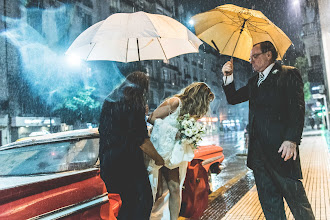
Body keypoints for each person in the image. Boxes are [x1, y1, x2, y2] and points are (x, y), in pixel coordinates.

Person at [221, 41, 314, 220]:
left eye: (255, 56)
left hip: (282, 152)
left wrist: (291, 139)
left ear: (268, 54)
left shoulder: (288, 73)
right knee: (270, 208)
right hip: (258, 157)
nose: (251, 61)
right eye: (250, 58)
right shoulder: (254, 81)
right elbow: (233, 98)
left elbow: (297, 108)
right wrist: (228, 77)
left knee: (298, 204)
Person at [98, 71, 164, 220]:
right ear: (142, 88)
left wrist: (141, 113)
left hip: (108, 160)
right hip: (128, 162)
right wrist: (159, 159)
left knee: (121, 204)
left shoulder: (110, 100)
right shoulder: (134, 103)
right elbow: (141, 139)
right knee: (143, 201)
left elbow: (108, 128)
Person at [147, 82, 214, 220]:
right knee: (151, 189)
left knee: (175, 189)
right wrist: (174, 133)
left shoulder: (190, 111)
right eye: (206, 101)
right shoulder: (175, 102)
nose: (206, 106)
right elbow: (151, 118)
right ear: (198, 97)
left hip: (173, 155)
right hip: (158, 150)